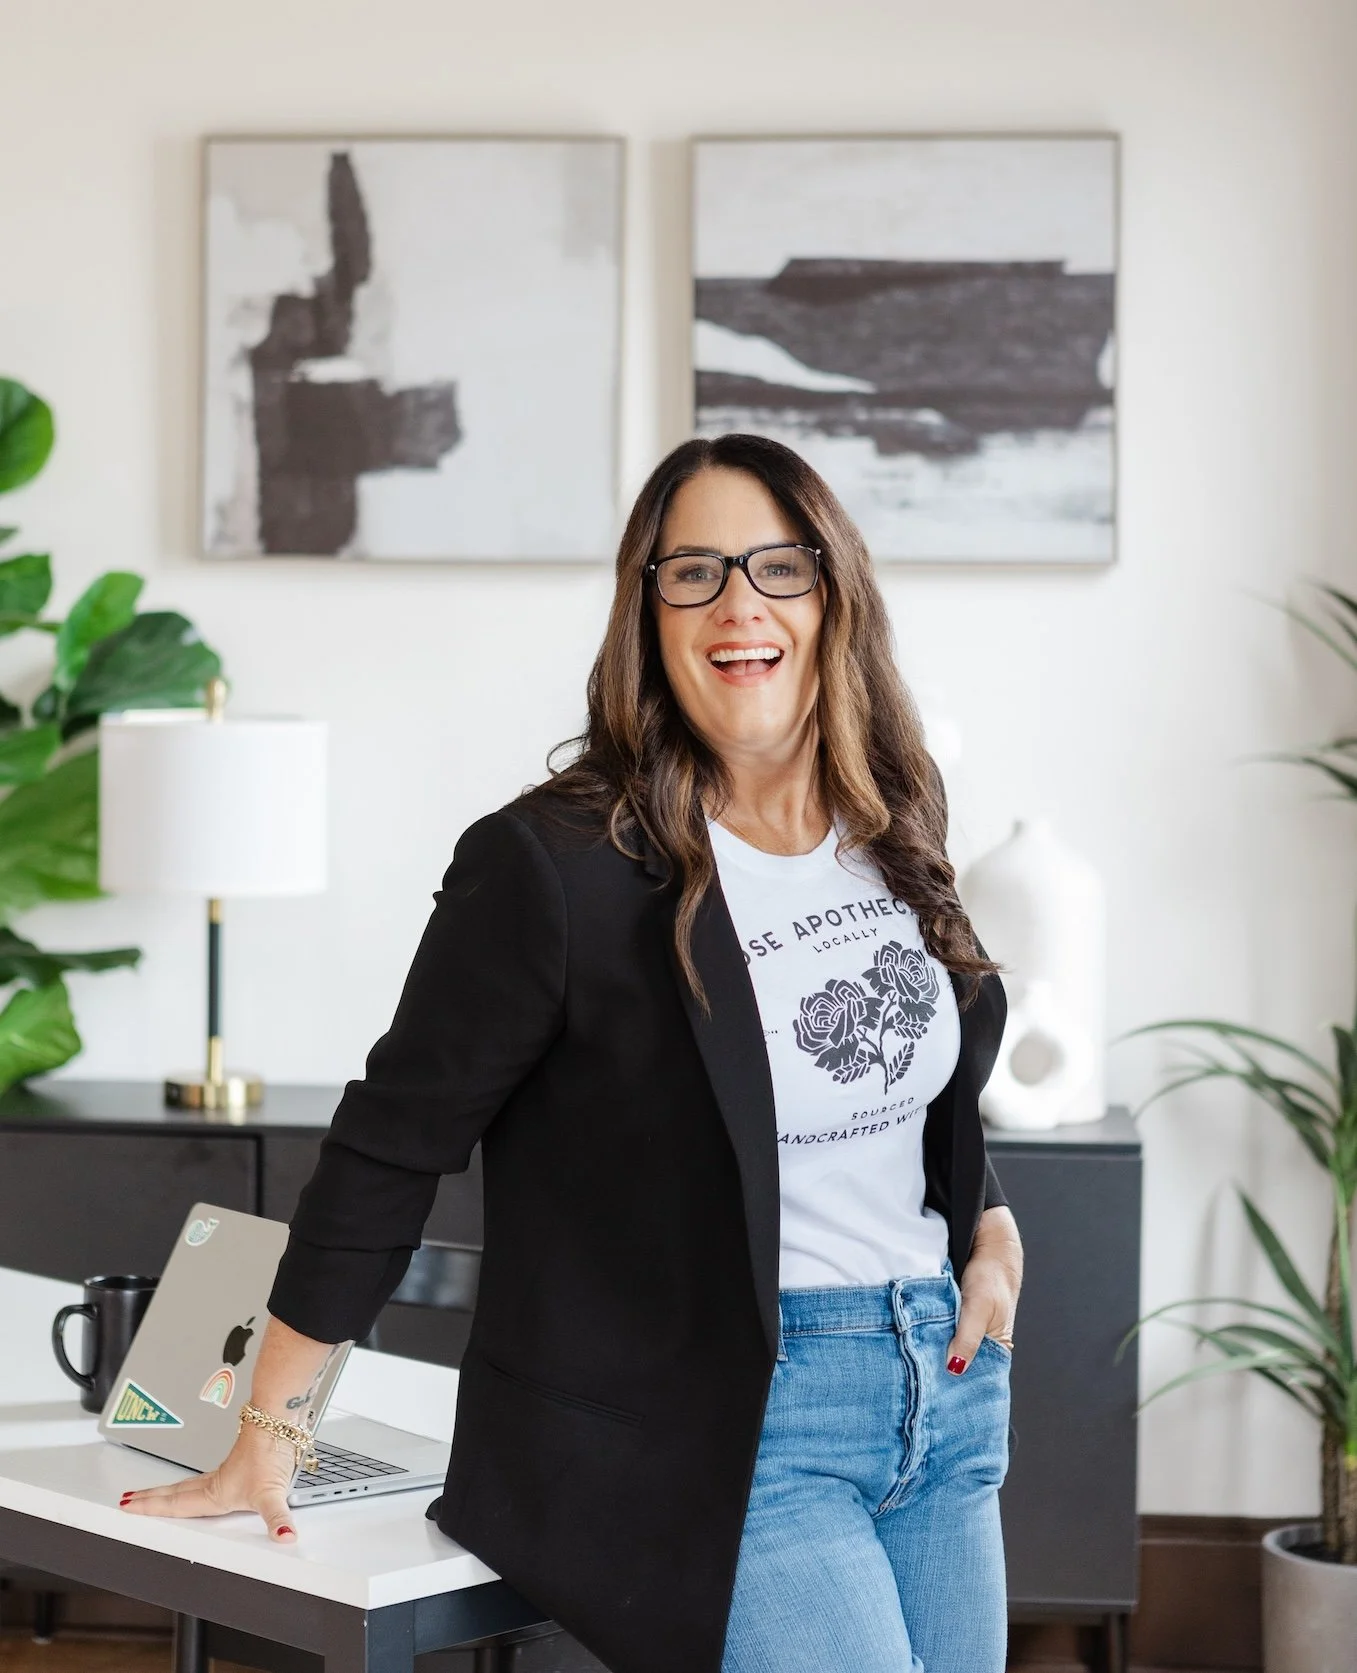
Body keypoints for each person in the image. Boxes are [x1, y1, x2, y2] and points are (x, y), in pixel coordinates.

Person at [122, 434, 1023, 1673]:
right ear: (646, 612)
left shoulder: (893, 815)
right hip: (735, 1422)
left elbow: (906, 1086)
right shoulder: (556, 866)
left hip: (947, 1391)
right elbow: (392, 1141)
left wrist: (988, 1223)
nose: (738, 604)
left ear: (834, 595)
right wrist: (266, 1424)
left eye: (778, 566)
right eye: (692, 572)